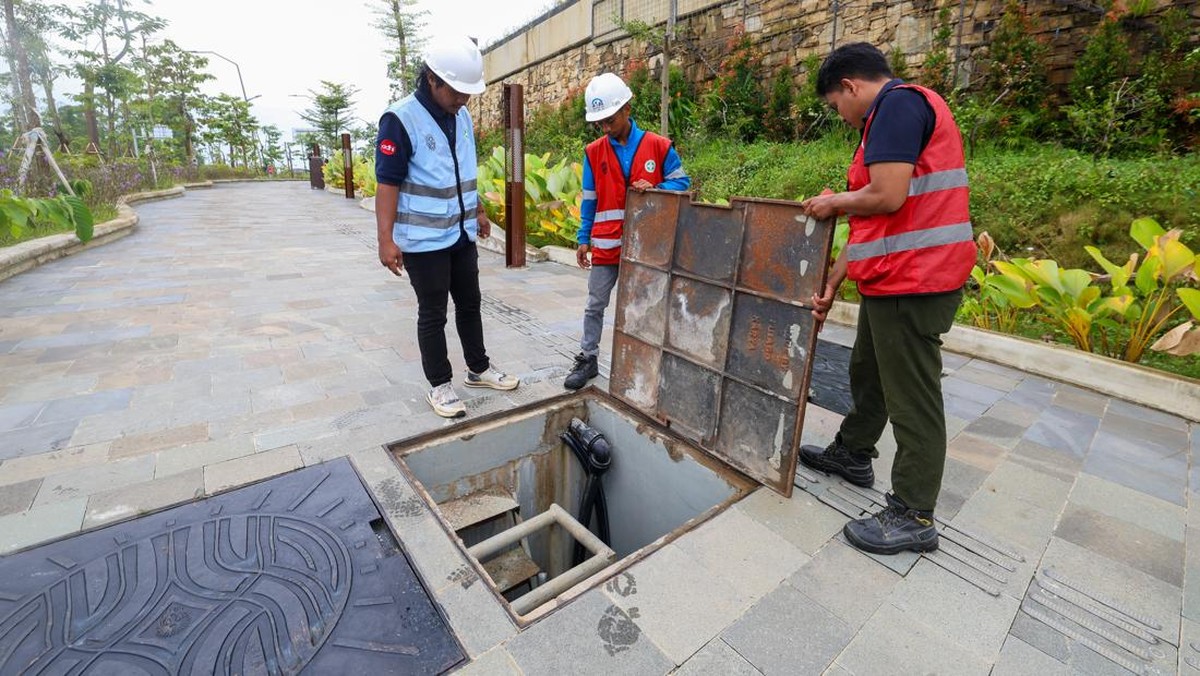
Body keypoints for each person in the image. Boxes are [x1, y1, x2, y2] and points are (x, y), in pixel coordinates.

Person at [798, 42, 975, 555]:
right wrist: (833, 282)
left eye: (836, 105)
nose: (841, 115)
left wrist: (832, 201)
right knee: (868, 370)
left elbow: (887, 195)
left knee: (912, 396)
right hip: (891, 278)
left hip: (918, 281)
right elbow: (873, 222)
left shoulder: (897, 105)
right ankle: (853, 452)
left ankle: (914, 513)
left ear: (851, 86)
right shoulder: (886, 119)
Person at [375, 34, 519, 419]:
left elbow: (462, 171)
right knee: (433, 312)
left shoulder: (462, 114)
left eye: (468, 94)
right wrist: (385, 240)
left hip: (460, 234)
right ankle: (440, 384)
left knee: (470, 303)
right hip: (423, 242)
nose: (463, 100)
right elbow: (387, 184)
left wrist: (479, 211)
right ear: (432, 79)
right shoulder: (400, 119)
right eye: (456, 91)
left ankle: (479, 368)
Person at [563, 72, 691, 390]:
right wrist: (583, 239)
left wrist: (658, 186)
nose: (605, 128)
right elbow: (590, 200)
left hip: (646, 246)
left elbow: (682, 183)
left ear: (627, 109)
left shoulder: (658, 147)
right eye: (600, 123)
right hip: (606, 245)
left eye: (609, 120)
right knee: (595, 304)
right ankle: (588, 357)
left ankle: (643, 360)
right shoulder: (594, 152)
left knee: (642, 305)